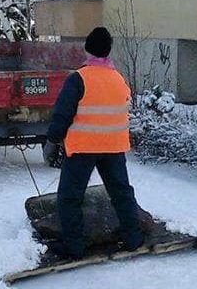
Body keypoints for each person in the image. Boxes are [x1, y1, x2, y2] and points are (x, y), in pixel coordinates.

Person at [43, 27, 144, 260]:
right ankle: (133, 238)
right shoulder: (119, 79)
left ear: (87, 49)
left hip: (83, 148)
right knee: (121, 193)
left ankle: (75, 247)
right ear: (108, 50)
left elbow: (62, 113)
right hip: (114, 147)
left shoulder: (78, 78)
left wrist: (53, 139)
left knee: (70, 197)